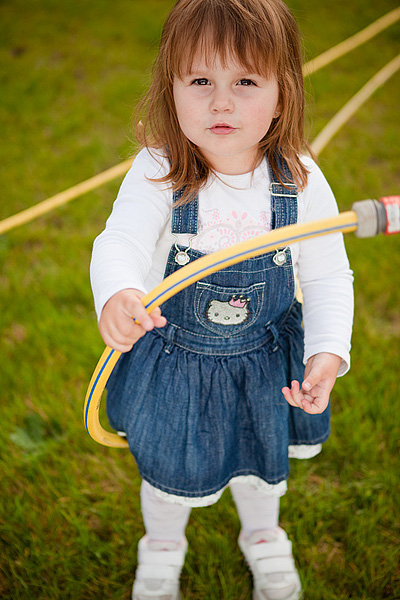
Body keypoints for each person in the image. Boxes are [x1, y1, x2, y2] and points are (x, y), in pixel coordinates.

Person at [90, 0, 354, 598]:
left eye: (245, 82)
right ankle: (161, 544)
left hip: (264, 364)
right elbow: (122, 240)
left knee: (262, 464)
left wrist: (329, 351)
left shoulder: (300, 179)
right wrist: (118, 291)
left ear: (282, 91)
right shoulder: (159, 170)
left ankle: (263, 535)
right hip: (177, 363)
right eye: (202, 80)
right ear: (171, 87)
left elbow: (327, 275)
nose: (222, 102)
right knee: (165, 469)